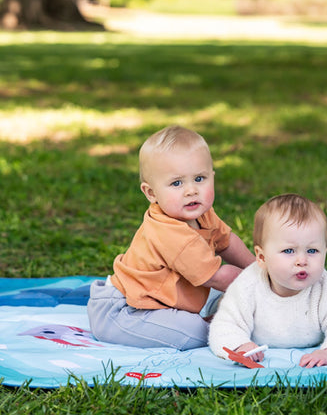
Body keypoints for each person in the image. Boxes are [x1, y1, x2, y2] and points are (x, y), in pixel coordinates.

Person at [87, 125, 255, 350]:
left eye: (199, 178)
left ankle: (224, 314)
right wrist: (262, 284)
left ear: (212, 177)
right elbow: (218, 277)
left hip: (156, 305)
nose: (191, 190)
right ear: (151, 193)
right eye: (177, 183)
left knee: (218, 300)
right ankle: (224, 325)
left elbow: (227, 242)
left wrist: (258, 267)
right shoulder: (170, 233)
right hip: (124, 312)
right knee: (198, 333)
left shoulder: (202, 213)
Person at [208, 194, 327, 368]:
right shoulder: (248, 285)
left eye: (312, 251)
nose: (302, 260)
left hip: (315, 343)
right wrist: (240, 345)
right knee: (221, 309)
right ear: (262, 257)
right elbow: (224, 325)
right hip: (253, 337)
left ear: (325, 252)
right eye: (289, 251)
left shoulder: (324, 286)